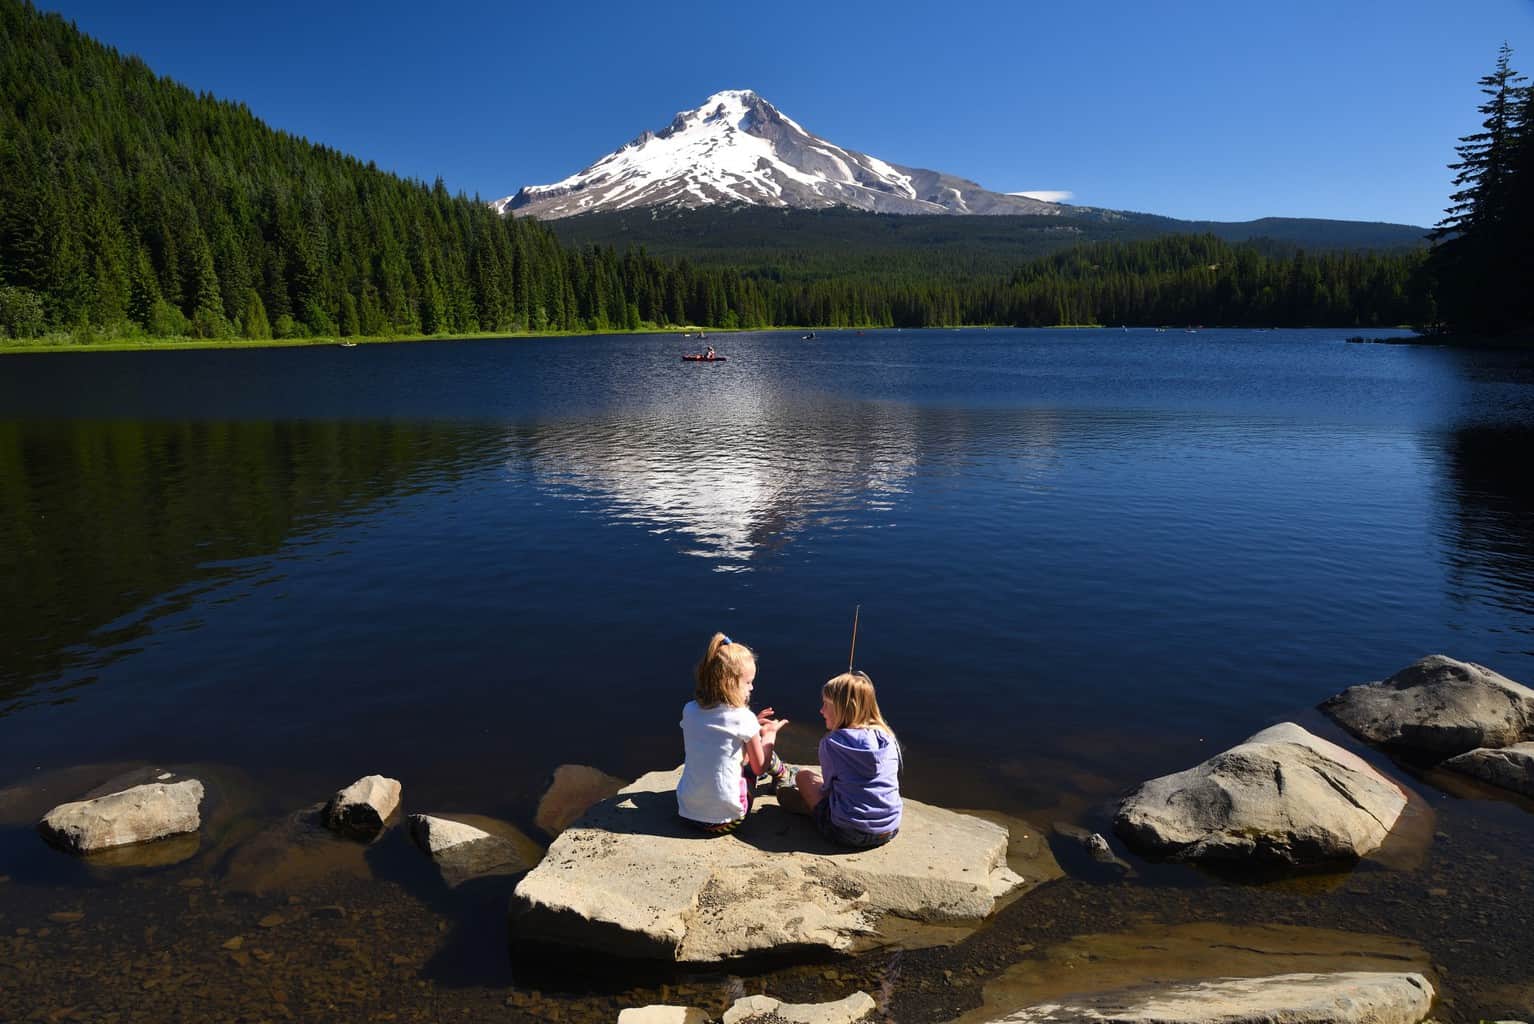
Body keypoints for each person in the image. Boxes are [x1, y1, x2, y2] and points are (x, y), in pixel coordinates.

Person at [677, 633, 789, 834]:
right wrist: (769, 735)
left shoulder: (690, 709)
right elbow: (758, 767)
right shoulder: (743, 717)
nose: (752, 687)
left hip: (687, 812)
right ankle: (781, 775)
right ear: (729, 683)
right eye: (748, 682)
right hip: (727, 820)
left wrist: (752, 724)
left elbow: (717, 735)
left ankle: (780, 774)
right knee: (760, 757)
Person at [794, 671, 902, 848]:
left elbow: (827, 788)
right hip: (889, 830)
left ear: (844, 708)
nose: (821, 710)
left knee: (803, 777)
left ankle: (805, 807)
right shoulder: (887, 737)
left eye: (826, 705)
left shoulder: (831, 743)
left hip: (847, 833)